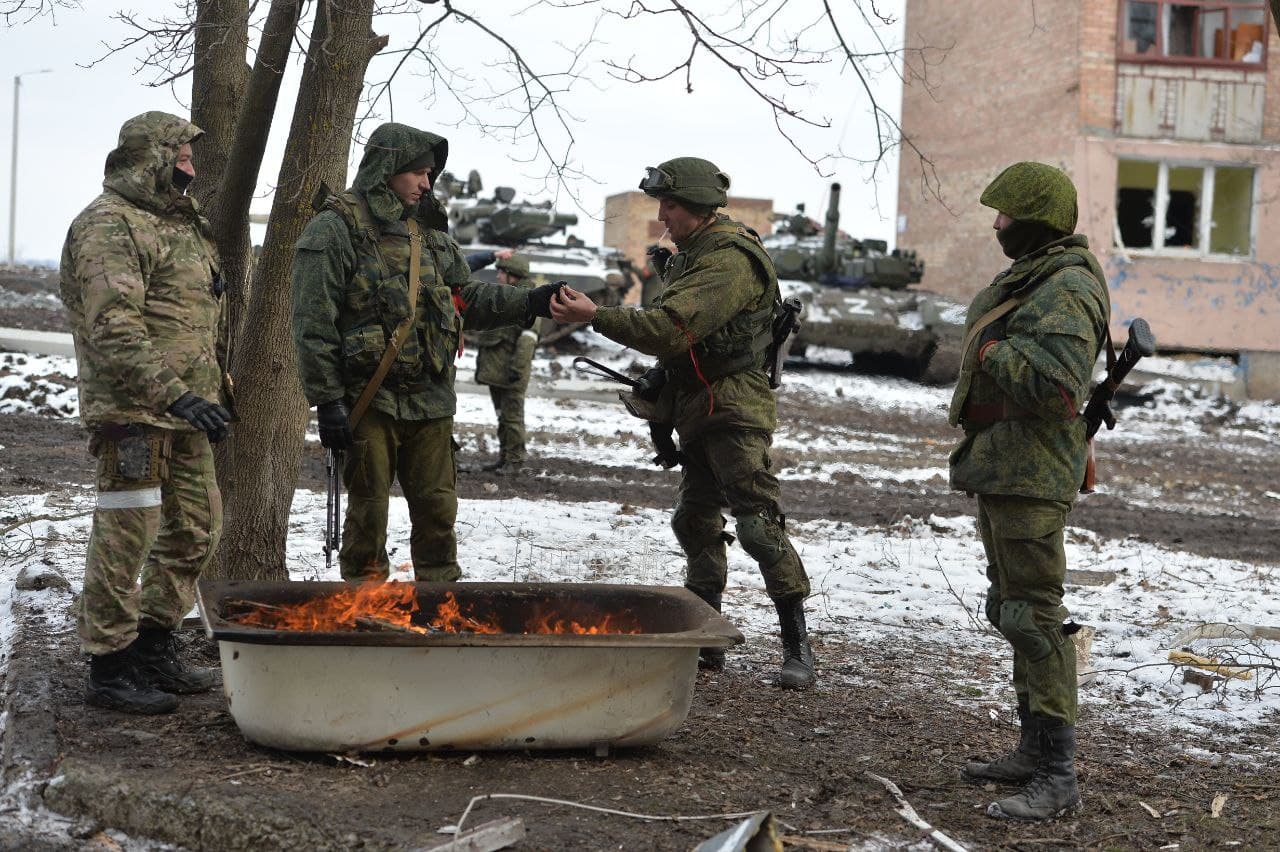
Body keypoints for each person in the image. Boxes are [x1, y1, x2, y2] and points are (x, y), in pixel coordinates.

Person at [550, 157, 815, 690]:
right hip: (696, 402)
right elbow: (685, 342)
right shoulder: (695, 255)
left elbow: (672, 328)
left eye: (669, 205)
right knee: (694, 521)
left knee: (759, 525)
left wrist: (596, 315)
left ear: (694, 205)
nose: (662, 216)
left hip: (733, 406)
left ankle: (797, 646)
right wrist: (657, 380)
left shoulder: (729, 261)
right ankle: (706, 636)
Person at [291, 123, 560, 585]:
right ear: (387, 169)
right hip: (367, 399)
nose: (426, 183)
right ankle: (364, 607)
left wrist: (531, 302)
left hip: (432, 398)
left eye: (430, 173)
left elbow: (466, 300)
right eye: (416, 172)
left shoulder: (429, 232)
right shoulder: (337, 228)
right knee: (368, 513)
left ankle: (439, 604)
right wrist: (328, 399)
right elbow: (312, 322)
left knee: (438, 509)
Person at [949, 162, 1109, 820]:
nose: (996, 226)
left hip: (1031, 470)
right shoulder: (1038, 278)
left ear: (1034, 222)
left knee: (1036, 616)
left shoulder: (1065, 287)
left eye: (1006, 216)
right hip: (1007, 466)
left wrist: (990, 352)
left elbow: (1058, 387)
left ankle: (1056, 773)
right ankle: (1032, 748)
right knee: (1013, 608)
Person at [59, 111, 232, 715]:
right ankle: (109, 666)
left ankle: (154, 646)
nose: (191, 162)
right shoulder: (108, 225)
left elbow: (194, 318)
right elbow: (114, 325)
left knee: (195, 528)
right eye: (182, 151)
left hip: (188, 412)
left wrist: (209, 391)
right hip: (133, 411)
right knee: (126, 536)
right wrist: (171, 391)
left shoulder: (182, 224)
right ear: (152, 155)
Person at [471, 254, 539, 473]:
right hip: (497, 370)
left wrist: (517, 371)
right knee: (502, 416)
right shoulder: (506, 296)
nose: (498, 275)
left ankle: (515, 460)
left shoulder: (529, 300)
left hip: (511, 372)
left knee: (512, 416)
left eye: (502, 272)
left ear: (513, 276)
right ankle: (505, 457)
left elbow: (527, 341)